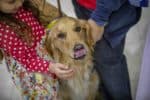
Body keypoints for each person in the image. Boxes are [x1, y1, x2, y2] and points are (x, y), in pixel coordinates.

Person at [0, 0, 74, 99]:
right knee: (45, 93)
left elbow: (37, 31)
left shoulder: (21, 8)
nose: (19, 4)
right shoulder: (4, 31)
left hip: (41, 54)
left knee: (57, 84)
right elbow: (27, 60)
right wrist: (50, 67)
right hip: (30, 68)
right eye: (11, 1)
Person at [72, 0, 143, 100]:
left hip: (103, 9)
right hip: (86, 5)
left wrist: (99, 18)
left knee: (109, 64)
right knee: (98, 57)